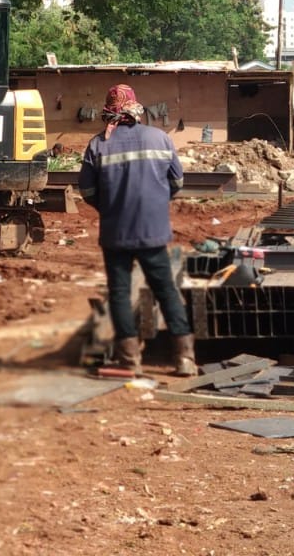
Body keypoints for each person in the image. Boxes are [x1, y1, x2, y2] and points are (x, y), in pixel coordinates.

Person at [77, 83, 197, 377]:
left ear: (108, 112)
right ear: (136, 109)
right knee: (166, 290)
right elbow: (177, 183)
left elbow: (88, 191)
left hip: (115, 231)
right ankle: (185, 359)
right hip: (152, 230)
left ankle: (129, 360)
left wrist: (110, 208)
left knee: (119, 292)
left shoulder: (97, 145)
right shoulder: (160, 138)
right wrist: (156, 202)